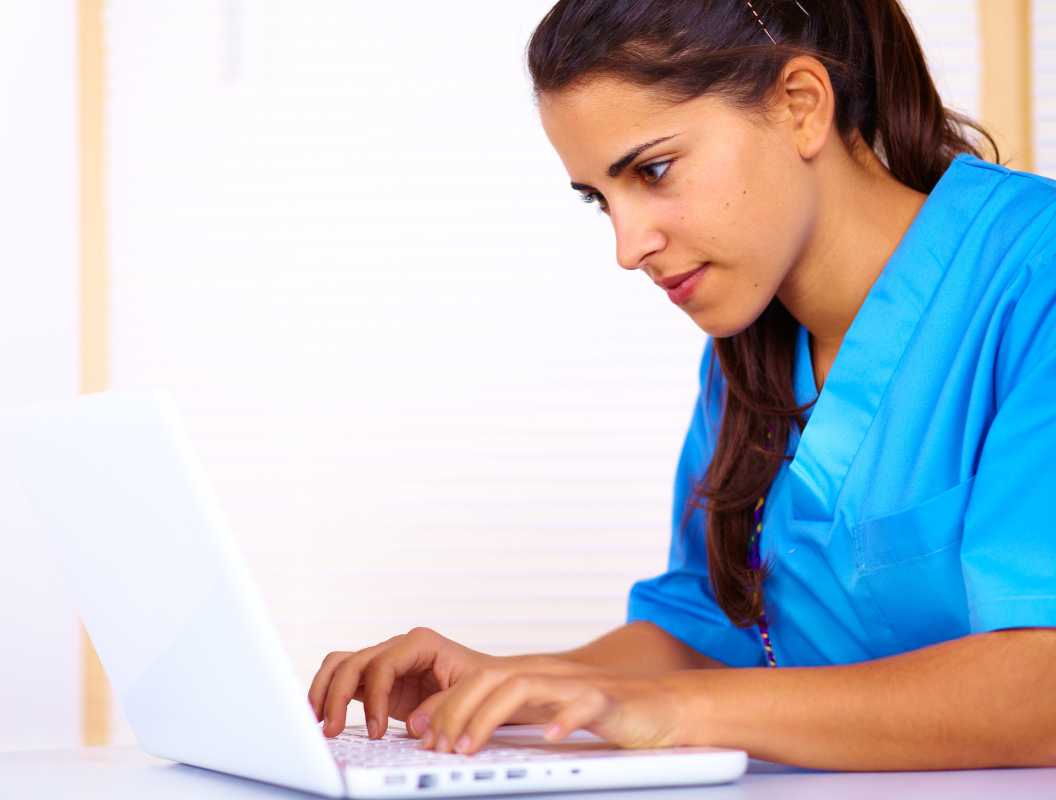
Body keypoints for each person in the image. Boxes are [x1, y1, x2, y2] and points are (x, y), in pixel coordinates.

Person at [307, 0, 1056, 770]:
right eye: (601, 198)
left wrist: (668, 711)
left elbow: (1045, 688)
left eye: (653, 170)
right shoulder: (750, 352)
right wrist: (513, 682)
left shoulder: (1038, 278)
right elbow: (707, 634)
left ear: (800, 107)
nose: (629, 247)